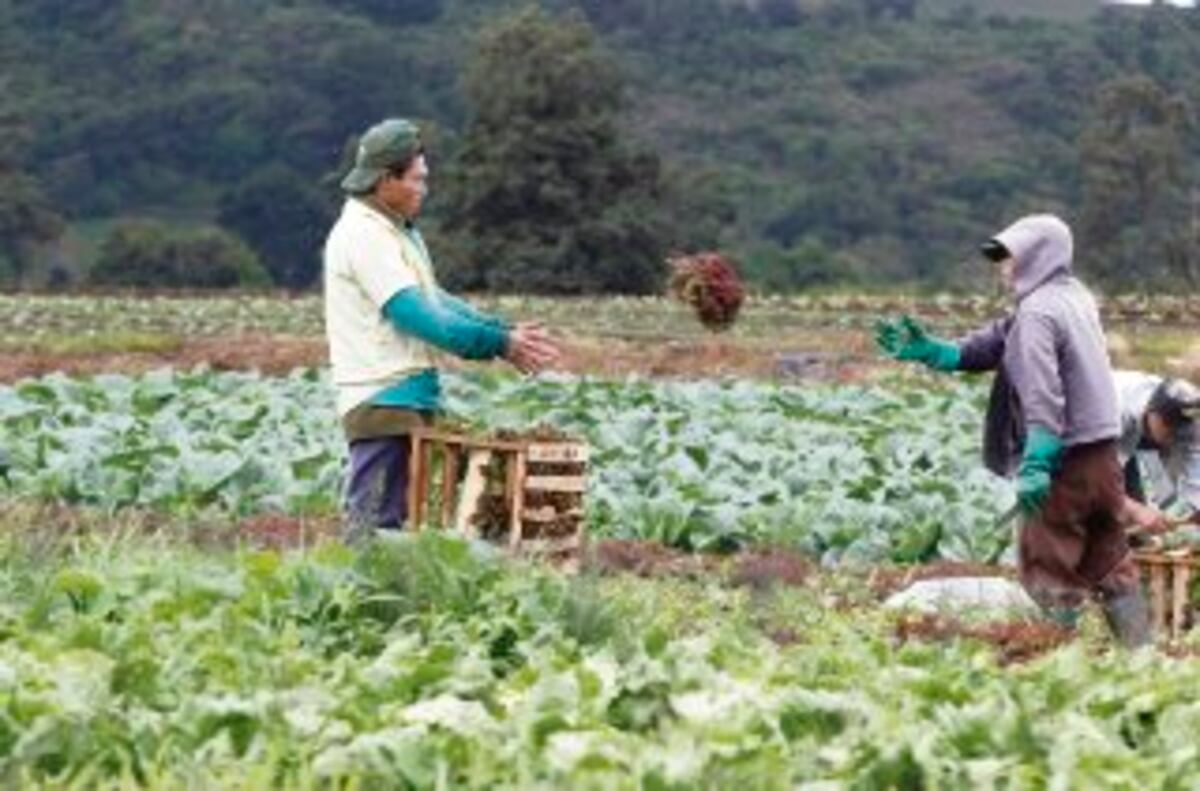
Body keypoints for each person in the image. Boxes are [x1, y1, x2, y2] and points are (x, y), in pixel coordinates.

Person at [876, 214, 1152, 646]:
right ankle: (1142, 658)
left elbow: (1043, 392)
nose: (1003, 267)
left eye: (1010, 258)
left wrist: (1039, 459)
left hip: (1065, 461)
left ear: (1039, 257)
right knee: (1109, 559)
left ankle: (1058, 668)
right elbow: (1002, 339)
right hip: (1103, 458)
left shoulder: (1039, 312)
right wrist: (939, 352)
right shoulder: (1072, 297)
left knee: (1049, 568)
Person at [324, 118, 559, 534]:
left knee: (401, 529)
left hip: (409, 398)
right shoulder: (364, 235)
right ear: (385, 180)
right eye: (417, 179)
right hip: (383, 401)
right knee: (372, 529)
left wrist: (500, 328)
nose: (423, 189)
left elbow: (436, 298)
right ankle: (359, 599)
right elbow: (420, 315)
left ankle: (395, 597)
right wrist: (500, 343)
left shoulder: (393, 231)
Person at [1113, 370, 1200, 535]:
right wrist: (1135, 510)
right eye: (1171, 424)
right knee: (1115, 510)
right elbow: (1093, 479)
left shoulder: (1187, 424)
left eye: (1183, 425)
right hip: (1088, 437)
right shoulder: (1115, 409)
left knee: (1160, 501)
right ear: (1152, 412)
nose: (1177, 431)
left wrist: (1194, 507)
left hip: (1144, 432)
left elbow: (1196, 466)